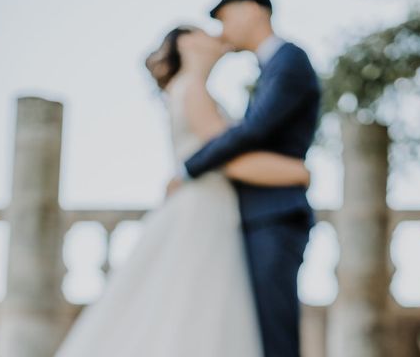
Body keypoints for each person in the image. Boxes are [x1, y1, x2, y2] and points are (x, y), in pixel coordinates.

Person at [54, 23, 312, 357]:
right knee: (197, 309)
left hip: (207, 208)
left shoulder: (187, 89)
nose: (219, 36)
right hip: (203, 213)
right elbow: (227, 159)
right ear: (187, 43)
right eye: (206, 31)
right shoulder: (193, 89)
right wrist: (295, 171)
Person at [168, 0, 321, 357]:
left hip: (275, 213)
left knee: (275, 330)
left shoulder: (289, 60)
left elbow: (253, 131)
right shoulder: (271, 67)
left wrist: (190, 168)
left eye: (225, 18)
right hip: (258, 214)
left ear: (253, 10)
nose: (223, 30)